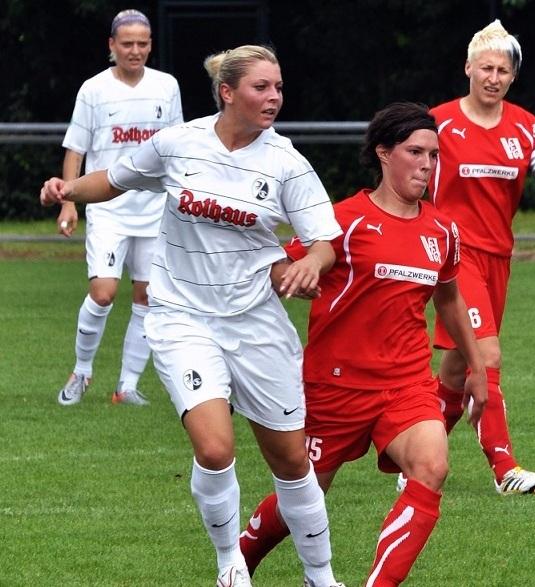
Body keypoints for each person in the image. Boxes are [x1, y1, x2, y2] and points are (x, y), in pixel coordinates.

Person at [41, 45, 345, 587]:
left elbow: (325, 241)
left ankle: (320, 576)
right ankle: (230, 561)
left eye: (277, 87)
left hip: (256, 323)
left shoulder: (286, 162)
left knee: (293, 463)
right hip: (182, 317)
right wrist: (69, 190)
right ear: (227, 92)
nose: (273, 97)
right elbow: (113, 179)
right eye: (261, 87)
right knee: (214, 446)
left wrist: (310, 264)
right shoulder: (180, 143)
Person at [238, 102, 488, 586]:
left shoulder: (441, 230)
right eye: (416, 152)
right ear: (384, 154)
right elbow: (277, 267)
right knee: (302, 500)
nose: (427, 165)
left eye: (434, 155)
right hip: (336, 388)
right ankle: (239, 560)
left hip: (407, 383)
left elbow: (449, 298)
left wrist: (476, 367)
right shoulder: (341, 223)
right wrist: (297, 275)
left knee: (432, 465)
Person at [409, 19, 535, 496]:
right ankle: (505, 469)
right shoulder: (437, 122)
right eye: (486, 67)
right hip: (453, 257)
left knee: (459, 369)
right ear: (468, 68)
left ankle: (417, 454)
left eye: (503, 70)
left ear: (512, 76)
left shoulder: (525, 127)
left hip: (499, 258)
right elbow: (406, 174)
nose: (494, 77)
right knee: (487, 354)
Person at [56, 9, 183, 407]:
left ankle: (126, 386)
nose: (135, 50)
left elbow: (177, 146)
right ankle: (82, 371)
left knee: (148, 297)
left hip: (155, 210)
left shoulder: (167, 86)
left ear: (150, 46)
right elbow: (76, 147)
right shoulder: (93, 89)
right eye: (126, 43)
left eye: (142, 43)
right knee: (104, 292)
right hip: (107, 207)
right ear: (112, 46)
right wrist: (69, 203)